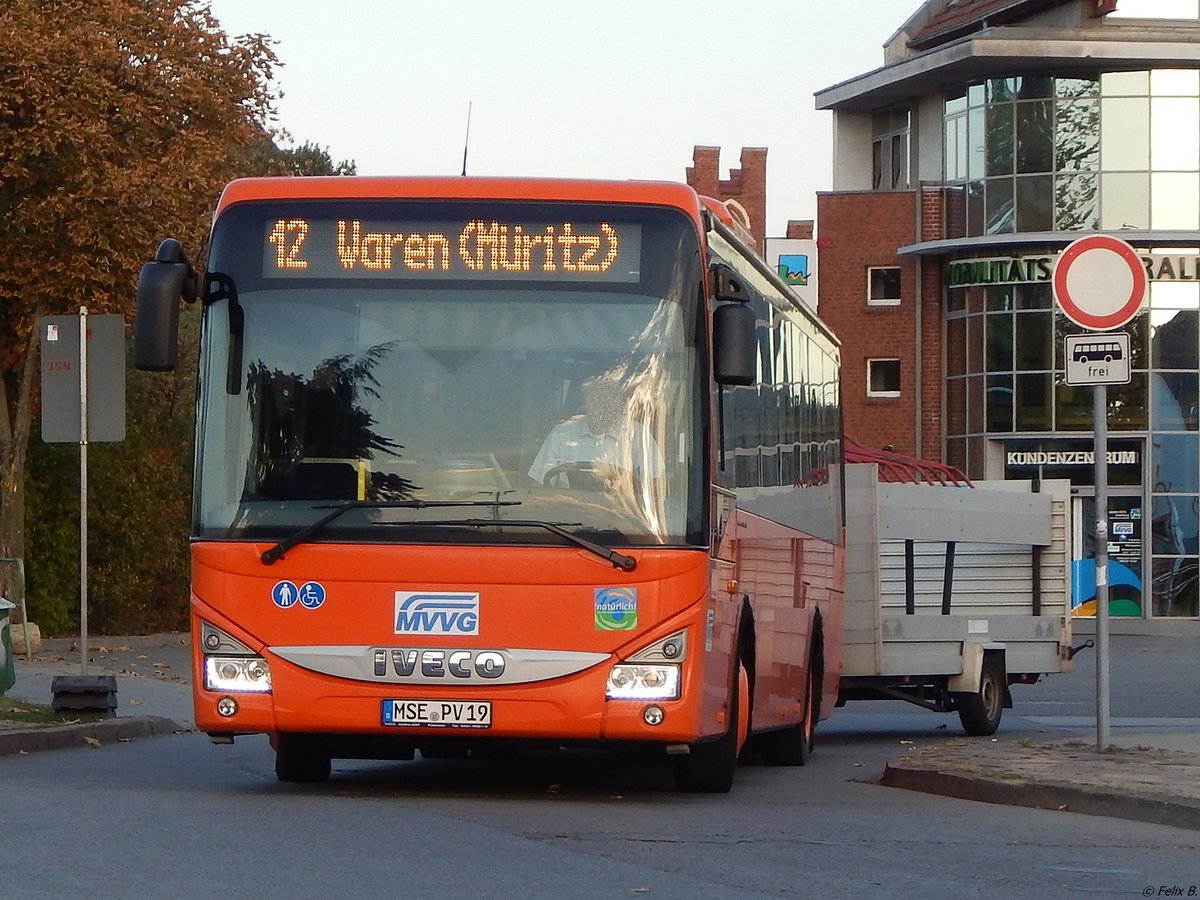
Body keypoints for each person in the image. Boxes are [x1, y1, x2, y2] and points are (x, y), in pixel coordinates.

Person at [528, 374, 663, 488]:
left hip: (622, 512)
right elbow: (538, 484)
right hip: (567, 512)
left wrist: (625, 484)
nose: (602, 408)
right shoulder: (562, 432)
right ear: (586, 404)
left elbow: (657, 483)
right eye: (596, 401)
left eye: (608, 401)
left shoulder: (637, 434)